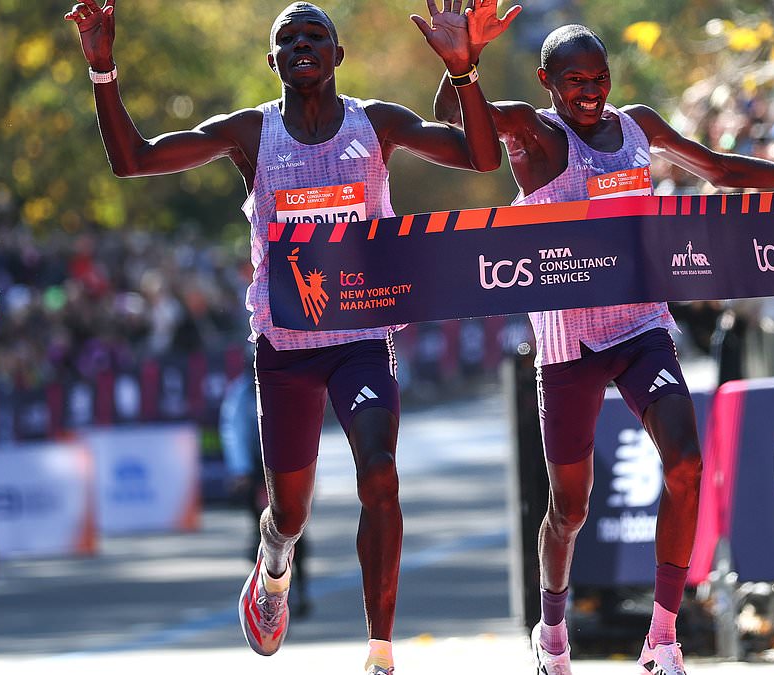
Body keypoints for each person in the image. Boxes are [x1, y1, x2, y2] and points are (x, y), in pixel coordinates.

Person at [434, 10, 774, 674]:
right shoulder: (531, 132)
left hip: (639, 325)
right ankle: (553, 629)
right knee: (569, 506)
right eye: (575, 82)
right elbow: (457, 126)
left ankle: (661, 639)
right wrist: (463, 66)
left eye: (600, 78)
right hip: (568, 339)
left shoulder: (636, 127)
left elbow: (717, 168)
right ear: (546, 82)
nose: (591, 92)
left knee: (685, 463)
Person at [65, 1, 501, 671]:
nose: (302, 43)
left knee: (380, 473)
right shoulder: (250, 134)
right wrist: (102, 70)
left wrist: (464, 70)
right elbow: (134, 161)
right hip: (287, 349)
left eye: (316, 35)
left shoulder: (375, 123)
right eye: (288, 38)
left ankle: (380, 652)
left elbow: (478, 154)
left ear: (338, 55)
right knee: (289, 511)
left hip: (360, 336)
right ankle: (274, 566)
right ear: (272, 61)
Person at [220, 358, 310, 618]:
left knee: (298, 532)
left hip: (289, 467)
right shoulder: (241, 393)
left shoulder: (288, 384)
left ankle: (300, 590)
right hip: (257, 471)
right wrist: (240, 470)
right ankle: (263, 590)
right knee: (264, 531)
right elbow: (233, 431)